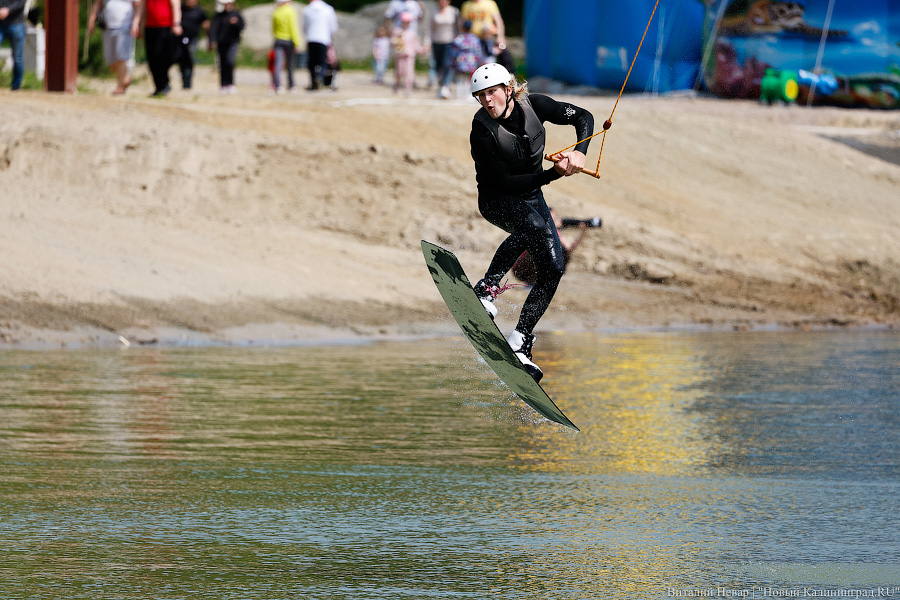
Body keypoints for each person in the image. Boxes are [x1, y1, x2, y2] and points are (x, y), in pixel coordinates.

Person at [468, 63, 594, 381]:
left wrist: (580, 152)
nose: (487, 100)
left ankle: (520, 341)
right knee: (533, 226)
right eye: (481, 96)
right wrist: (555, 172)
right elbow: (508, 182)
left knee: (553, 269)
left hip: (532, 197)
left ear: (508, 90)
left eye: (492, 92)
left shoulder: (535, 105)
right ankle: (485, 289)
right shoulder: (481, 130)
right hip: (497, 200)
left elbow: (584, 117)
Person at [511, 209, 594, 286]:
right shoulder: (541, 229)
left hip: (528, 271)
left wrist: (583, 232)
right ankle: (534, 281)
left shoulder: (555, 233)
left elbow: (570, 248)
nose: (558, 220)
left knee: (562, 253)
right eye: (554, 218)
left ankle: (537, 282)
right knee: (542, 251)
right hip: (520, 270)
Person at [88, 0, 142, 95]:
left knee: (121, 57)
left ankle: (120, 86)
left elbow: (138, 6)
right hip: (107, 28)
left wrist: (136, 23)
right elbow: (98, 3)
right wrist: (92, 19)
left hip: (125, 27)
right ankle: (125, 78)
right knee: (110, 61)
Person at [141, 0, 182, 96]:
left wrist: (176, 23)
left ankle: (164, 84)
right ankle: (158, 86)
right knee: (152, 58)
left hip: (165, 26)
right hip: (150, 27)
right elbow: (142, 8)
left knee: (162, 56)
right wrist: (138, 24)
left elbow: (175, 5)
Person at [209, 0, 244, 93]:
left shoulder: (236, 14)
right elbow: (214, 29)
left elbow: (242, 27)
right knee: (222, 64)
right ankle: (223, 84)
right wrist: (212, 40)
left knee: (230, 61)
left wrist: (236, 23)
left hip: (232, 42)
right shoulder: (219, 16)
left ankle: (231, 83)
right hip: (221, 43)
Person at [302, 0, 337, 91]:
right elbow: (333, 27)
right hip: (323, 39)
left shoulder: (306, 10)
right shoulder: (328, 9)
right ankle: (320, 77)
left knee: (312, 62)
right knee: (323, 61)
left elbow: (304, 26)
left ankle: (313, 82)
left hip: (311, 38)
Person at [391, 11, 424, 97]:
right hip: (400, 55)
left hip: (409, 56)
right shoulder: (397, 31)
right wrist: (396, 41)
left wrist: (422, 50)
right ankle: (396, 85)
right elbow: (392, 42)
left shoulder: (412, 33)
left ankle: (408, 89)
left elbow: (416, 45)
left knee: (409, 73)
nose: (406, 23)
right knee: (399, 72)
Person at [430, 0, 458, 99]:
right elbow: (430, 28)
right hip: (436, 42)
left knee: (447, 64)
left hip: (449, 42)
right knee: (438, 66)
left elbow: (457, 27)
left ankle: (445, 86)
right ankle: (441, 84)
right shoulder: (434, 12)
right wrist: (427, 41)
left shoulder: (454, 11)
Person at [271, 0, 301, 93]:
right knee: (290, 64)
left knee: (278, 64)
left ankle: (278, 86)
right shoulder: (290, 11)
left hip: (278, 40)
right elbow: (293, 28)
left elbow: (274, 28)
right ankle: (291, 85)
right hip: (289, 40)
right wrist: (297, 42)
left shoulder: (276, 12)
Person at [178, 0, 208, 89]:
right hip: (179, 39)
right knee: (181, 59)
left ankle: (188, 81)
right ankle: (184, 79)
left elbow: (205, 24)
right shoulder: (180, 9)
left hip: (193, 39)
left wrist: (210, 39)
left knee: (189, 57)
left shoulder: (199, 12)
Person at [449, 19, 482, 100]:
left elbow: (453, 51)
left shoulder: (458, 38)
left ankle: (458, 96)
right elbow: (478, 51)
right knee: (468, 80)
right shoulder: (475, 38)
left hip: (460, 61)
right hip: (471, 62)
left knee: (459, 79)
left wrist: (452, 61)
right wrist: (478, 61)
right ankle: (467, 96)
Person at [0, 0, 24, 90]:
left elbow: (21, 2)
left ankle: (16, 86)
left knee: (17, 57)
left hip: (16, 23)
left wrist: (8, 10)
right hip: (1, 24)